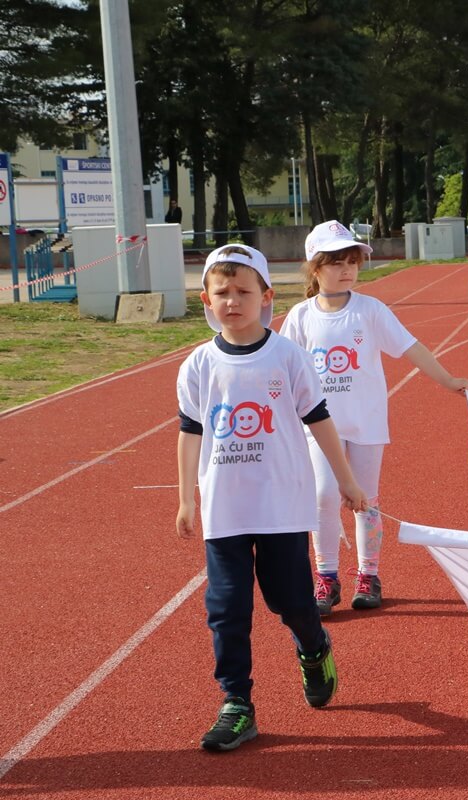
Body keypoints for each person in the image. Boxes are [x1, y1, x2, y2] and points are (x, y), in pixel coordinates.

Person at [176, 244, 370, 752]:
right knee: (226, 607)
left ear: (266, 297)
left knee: (290, 601)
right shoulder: (197, 364)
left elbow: (319, 420)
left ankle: (313, 645)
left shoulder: (288, 356)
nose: (233, 301)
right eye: (223, 293)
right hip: (225, 508)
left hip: (282, 504)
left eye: (244, 291)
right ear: (206, 300)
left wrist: (347, 481)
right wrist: (186, 499)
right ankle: (237, 703)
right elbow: (190, 431)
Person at [280, 221, 468, 616]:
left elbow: (411, 348)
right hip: (319, 429)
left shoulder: (370, 311)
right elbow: (284, 372)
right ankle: (326, 576)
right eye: (336, 262)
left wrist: (447, 380)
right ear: (314, 267)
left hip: (366, 424)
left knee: (366, 500)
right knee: (324, 496)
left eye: (352, 261)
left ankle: (368, 574)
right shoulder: (299, 317)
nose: (347, 269)